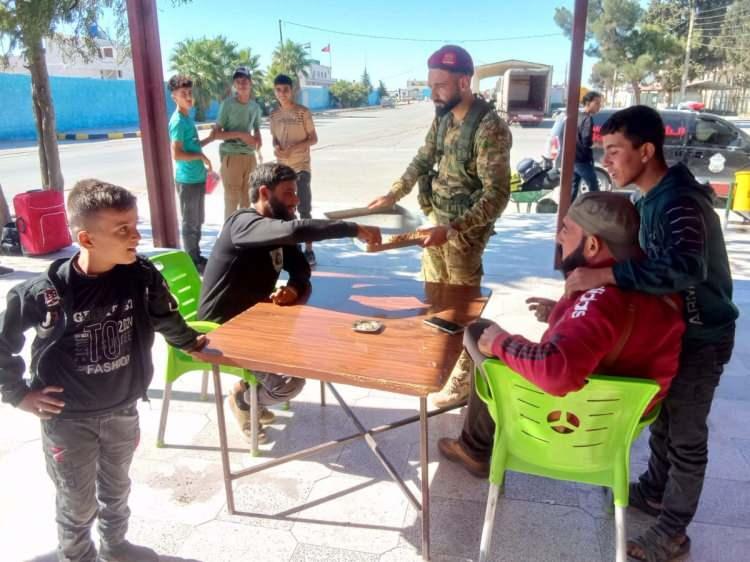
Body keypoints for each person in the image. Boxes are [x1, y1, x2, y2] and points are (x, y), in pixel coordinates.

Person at [0, 179, 207, 562]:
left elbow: (165, 317)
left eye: (135, 225)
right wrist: (17, 393)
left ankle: (115, 546)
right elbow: (2, 343)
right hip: (68, 420)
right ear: (87, 238)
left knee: (117, 490)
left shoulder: (141, 276)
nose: (136, 236)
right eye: (122, 230)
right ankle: (77, 556)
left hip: (122, 411)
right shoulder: (44, 292)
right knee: (76, 501)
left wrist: (192, 343)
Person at [565, 106, 738, 562]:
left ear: (646, 151)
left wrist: (606, 278)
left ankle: (673, 531)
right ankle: (655, 491)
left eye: (615, 151)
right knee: (662, 419)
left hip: (704, 335)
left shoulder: (680, 200)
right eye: (604, 152)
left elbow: (684, 268)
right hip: (678, 331)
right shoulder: (650, 197)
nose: (608, 161)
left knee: (685, 434)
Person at [438, 192, 685, 482]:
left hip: (567, 421)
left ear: (592, 244)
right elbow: (614, 333)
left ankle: (474, 447)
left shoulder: (601, 301)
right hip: (614, 430)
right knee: (499, 345)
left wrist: (501, 342)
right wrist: (562, 313)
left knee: (479, 333)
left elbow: (557, 372)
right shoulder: (661, 293)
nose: (558, 238)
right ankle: (474, 444)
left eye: (567, 230)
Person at [368, 44, 512, 408]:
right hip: (438, 223)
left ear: (464, 82)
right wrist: (393, 193)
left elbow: (497, 195)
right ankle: (440, 362)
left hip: (464, 233)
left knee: (463, 305)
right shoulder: (444, 116)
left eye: (440, 85)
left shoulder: (489, 128)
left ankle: (465, 377)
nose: (433, 93)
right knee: (435, 299)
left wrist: (454, 227)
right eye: (431, 85)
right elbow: (423, 157)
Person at [199, 163, 381, 443]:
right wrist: (352, 228)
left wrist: (294, 289)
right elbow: (297, 231)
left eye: (295, 192)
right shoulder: (243, 224)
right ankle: (244, 400)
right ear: (264, 193)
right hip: (222, 330)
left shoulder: (276, 229)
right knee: (288, 385)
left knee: (312, 353)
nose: (296, 199)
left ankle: (252, 391)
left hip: (258, 321)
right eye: (288, 193)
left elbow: (301, 269)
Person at [270, 73, 319, 266]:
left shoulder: (303, 112)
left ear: (293, 91)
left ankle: (309, 250)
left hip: (301, 167)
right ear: (275, 92)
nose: (282, 93)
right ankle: (293, 247)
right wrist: (275, 146)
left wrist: (294, 148)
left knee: (304, 209)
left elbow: (313, 138)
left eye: (286, 90)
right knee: (284, 210)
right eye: (279, 90)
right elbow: (274, 137)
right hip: (282, 170)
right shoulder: (274, 115)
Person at [168, 74, 215, 272]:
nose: (188, 97)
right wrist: (200, 158)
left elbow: (192, 146)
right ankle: (191, 261)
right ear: (174, 97)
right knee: (190, 223)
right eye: (183, 94)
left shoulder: (187, 118)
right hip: (187, 180)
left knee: (198, 220)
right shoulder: (178, 121)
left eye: (189, 93)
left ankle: (196, 256)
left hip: (197, 178)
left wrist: (210, 139)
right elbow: (177, 154)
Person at [214, 66, 263, 219]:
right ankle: (229, 238)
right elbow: (216, 134)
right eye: (238, 81)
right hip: (231, 156)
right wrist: (241, 135)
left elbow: (256, 128)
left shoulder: (255, 107)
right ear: (234, 85)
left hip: (250, 157)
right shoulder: (227, 105)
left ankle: (243, 237)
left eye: (245, 80)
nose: (242, 84)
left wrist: (258, 137)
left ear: (250, 83)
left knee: (247, 200)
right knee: (231, 200)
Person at [571, 91, 603, 202]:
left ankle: (566, 213)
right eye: (597, 103)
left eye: (600, 104)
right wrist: (598, 145)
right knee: (594, 188)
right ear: (588, 103)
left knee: (573, 188)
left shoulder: (577, 116)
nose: (599, 107)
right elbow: (586, 141)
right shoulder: (587, 119)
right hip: (583, 160)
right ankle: (596, 213)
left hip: (574, 159)